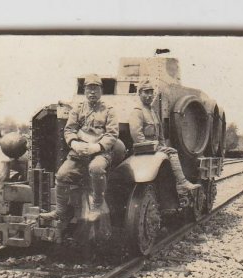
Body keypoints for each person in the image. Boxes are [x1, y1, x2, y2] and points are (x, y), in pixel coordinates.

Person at [41, 74, 119, 223]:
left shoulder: (109, 110)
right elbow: (69, 130)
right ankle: (60, 211)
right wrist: (75, 144)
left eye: (95, 89)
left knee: (96, 169)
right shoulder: (77, 109)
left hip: (100, 152)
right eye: (89, 89)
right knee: (62, 175)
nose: (92, 93)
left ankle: (96, 206)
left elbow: (112, 134)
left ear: (101, 91)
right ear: (84, 91)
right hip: (79, 151)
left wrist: (97, 147)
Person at [128, 79, 201, 195]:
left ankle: (178, 185)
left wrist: (161, 146)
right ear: (139, 93)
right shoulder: (138, 112)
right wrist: (153, 147)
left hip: (154, 147)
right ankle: (182, 183)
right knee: (172, 152)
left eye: (151, 92)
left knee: (169, 152)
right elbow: (137, 135)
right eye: (146, 92)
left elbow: (160, 134)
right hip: (144, 148)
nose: (149, 95)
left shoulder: (153, 112)